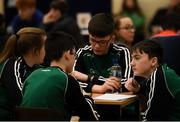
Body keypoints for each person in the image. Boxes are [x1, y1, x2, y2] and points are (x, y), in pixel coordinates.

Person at [20, 32, 99, 121]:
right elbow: (90, 115)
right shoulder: (66, 79)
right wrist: (86, 96)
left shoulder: (33, 75)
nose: (74, 60)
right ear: (68, 54)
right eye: (75, 55)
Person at [74, 13, 131, 120]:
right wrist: (100, 88)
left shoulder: (123, 52)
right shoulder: (82, 53)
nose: (96, 45)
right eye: (92, 40)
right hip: (90, 108)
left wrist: (89, 78)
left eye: (102, 42)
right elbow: (74, 83)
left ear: (112, 39)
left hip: (118, 109)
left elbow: (127, 82)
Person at [125, 39, 180, 121]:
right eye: (132, 59)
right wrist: (139, 89)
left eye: (137, 58)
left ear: (153, 61)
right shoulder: (162, 72)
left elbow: (152, 118)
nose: (131, 63)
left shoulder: (159, 76)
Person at [0, 27, 46, 120]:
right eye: (44, 46)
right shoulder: (12, 65)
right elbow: (22, 99)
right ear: (35, 51)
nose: (46, 50)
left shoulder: (34, 67)